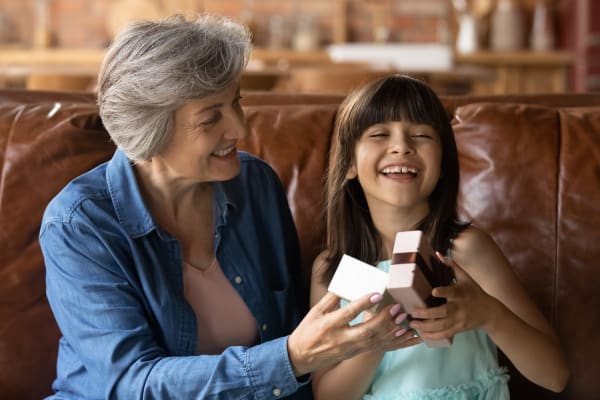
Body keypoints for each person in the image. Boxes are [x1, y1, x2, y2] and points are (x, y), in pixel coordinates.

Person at [39, 14, 409, 399]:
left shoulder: (255, 185)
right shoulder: (79, 225)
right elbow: (134, 384)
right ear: (150, 129)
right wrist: (291, 358)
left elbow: (294, 330)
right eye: (210, 118)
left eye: (236, 103)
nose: (239, 128)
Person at [310, 75, 570, 399]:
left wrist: (489, 314)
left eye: (421, 134)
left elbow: (555, 375)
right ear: (349, 163)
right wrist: (373, 342)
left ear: (444, 163)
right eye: (379, 134)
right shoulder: (335, 268)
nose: (402, 146)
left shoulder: (464, 250)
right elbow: (327, 395)